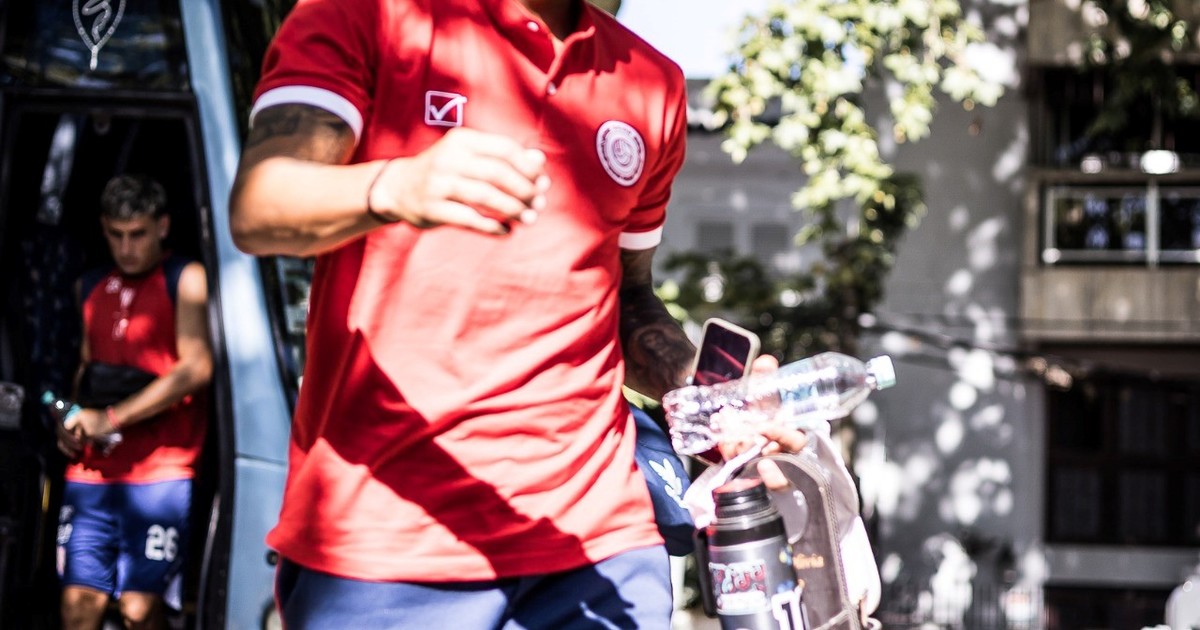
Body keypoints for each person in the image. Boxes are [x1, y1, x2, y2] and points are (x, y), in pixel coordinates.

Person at [229, 1, 805, 627]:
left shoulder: (651, 82)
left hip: (601, 536)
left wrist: (709, 400)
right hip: (392, 533)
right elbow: (261, 205)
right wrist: (394, 185)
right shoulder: (367, 14)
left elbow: (624, 297)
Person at [54, 174, 211, 630]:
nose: (126, 247)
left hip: (160, 472)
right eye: (116, 235)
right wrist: (67, 418)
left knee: (139, 610)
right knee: (78, 608)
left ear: (162, 226)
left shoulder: (185, 277)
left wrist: (112, 418)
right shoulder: (90, 285)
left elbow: (196, 368)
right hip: (92, 473)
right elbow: (84, 371)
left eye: (137, 234)